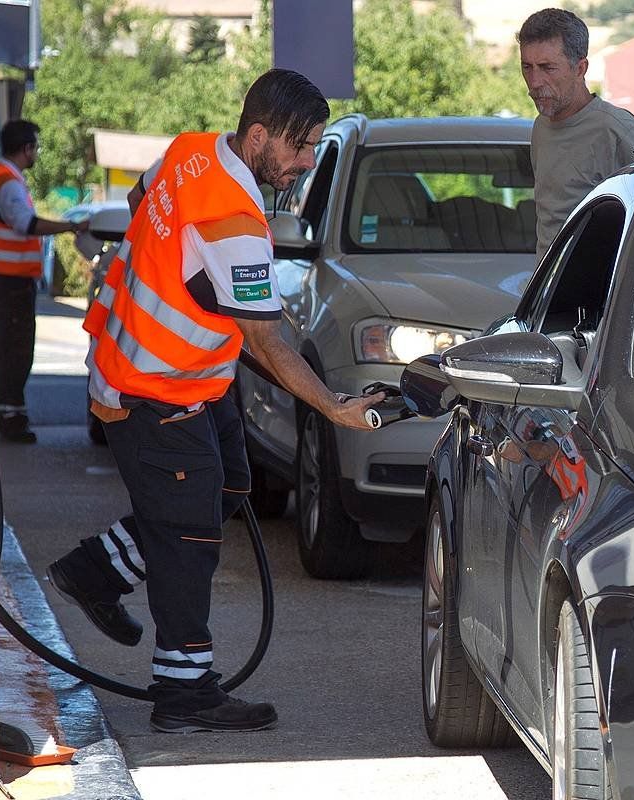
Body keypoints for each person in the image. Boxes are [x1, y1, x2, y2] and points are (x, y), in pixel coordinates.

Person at [44, 69, 385, 734]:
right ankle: (183, 691)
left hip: (191, 381)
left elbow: (146, 201)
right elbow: (271, 344)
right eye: (301, 146)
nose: (307, 161)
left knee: (225, 490)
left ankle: (97, 569)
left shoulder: (190, 149)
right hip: (155, 389)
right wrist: (336, 408)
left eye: (315, 146)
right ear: (259, 136)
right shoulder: (233, 219)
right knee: (190, 534)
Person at [517, 8, 634, 258]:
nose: (535, 81)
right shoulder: (541, 126)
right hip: (550, 284)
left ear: (580, 68)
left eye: (547, 67)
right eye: (527, 67)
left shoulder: (616, 129)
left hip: (599, 287)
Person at [0, 120, 90, 443]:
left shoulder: (4, 177)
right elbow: (26, 224)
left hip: (8, 282)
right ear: (26, 148)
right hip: (9, 284)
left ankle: (6, 414)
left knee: (8, 350)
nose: (37, 153)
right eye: (36, 146)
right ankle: (9, 418)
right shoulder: (7, 182)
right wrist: (70, 227)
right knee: (13, 352)